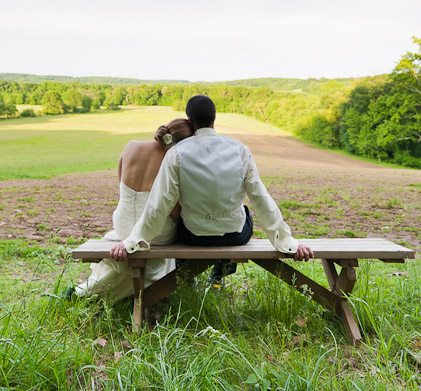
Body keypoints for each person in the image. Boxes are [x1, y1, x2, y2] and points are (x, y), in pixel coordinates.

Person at [110, 95, 313, 285]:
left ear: (190, 120)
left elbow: (159, 204)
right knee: (244, 211)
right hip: (234, 236)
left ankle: (186, 280)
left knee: (182, 219)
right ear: (214, 118)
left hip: (193, 237)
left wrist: (134, 240)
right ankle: (220, 272)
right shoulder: (240, 149)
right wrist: (287, 241)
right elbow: (260, 197)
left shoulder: (176, 154)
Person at [72, 118, 195, 299]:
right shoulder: (172, 160)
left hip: (122, 225)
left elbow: (121, 185)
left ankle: (96, 290)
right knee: (176, 230)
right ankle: (159, 290)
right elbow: (174, 213)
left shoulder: (131, 146)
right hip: (154, 235)